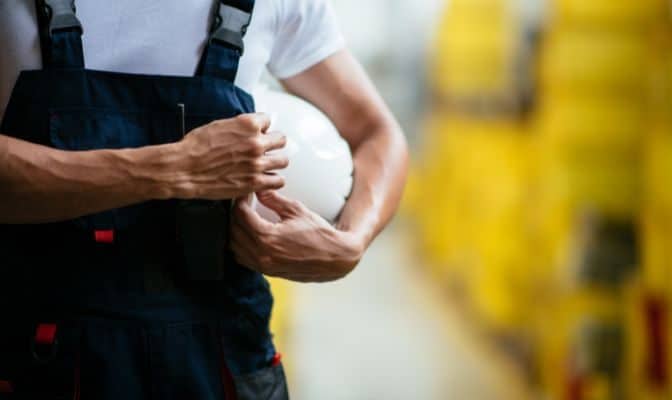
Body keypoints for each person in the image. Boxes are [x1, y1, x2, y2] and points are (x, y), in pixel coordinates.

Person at [0, 0, 408, 399]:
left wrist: (353, 238)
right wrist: (170, 169)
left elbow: (377, 134)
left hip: (224, 364)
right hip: (36, 357)